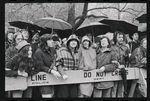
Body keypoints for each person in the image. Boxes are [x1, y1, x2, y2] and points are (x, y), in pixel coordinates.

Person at [34, 34, 61, 98]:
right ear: (44, 41)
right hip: (44, 79)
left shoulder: (53, 49)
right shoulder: (38, 52)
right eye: (50, 40)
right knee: (47, 95)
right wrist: (51, 71)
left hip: (54, 78)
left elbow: (56, 60)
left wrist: (55, 65)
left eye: (52, 39)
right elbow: (40, 66)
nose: (52, 41)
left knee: (53, 95)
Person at [111, 31, 130, 98]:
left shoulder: (125, 48)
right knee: (114, 90)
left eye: (122, 37)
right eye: (119, 37)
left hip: (123, 71)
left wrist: (126, 65)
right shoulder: (111, 47)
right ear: (116, 38)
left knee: (121, 90)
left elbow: (127, 60)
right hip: (114, 70)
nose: (121, 39)